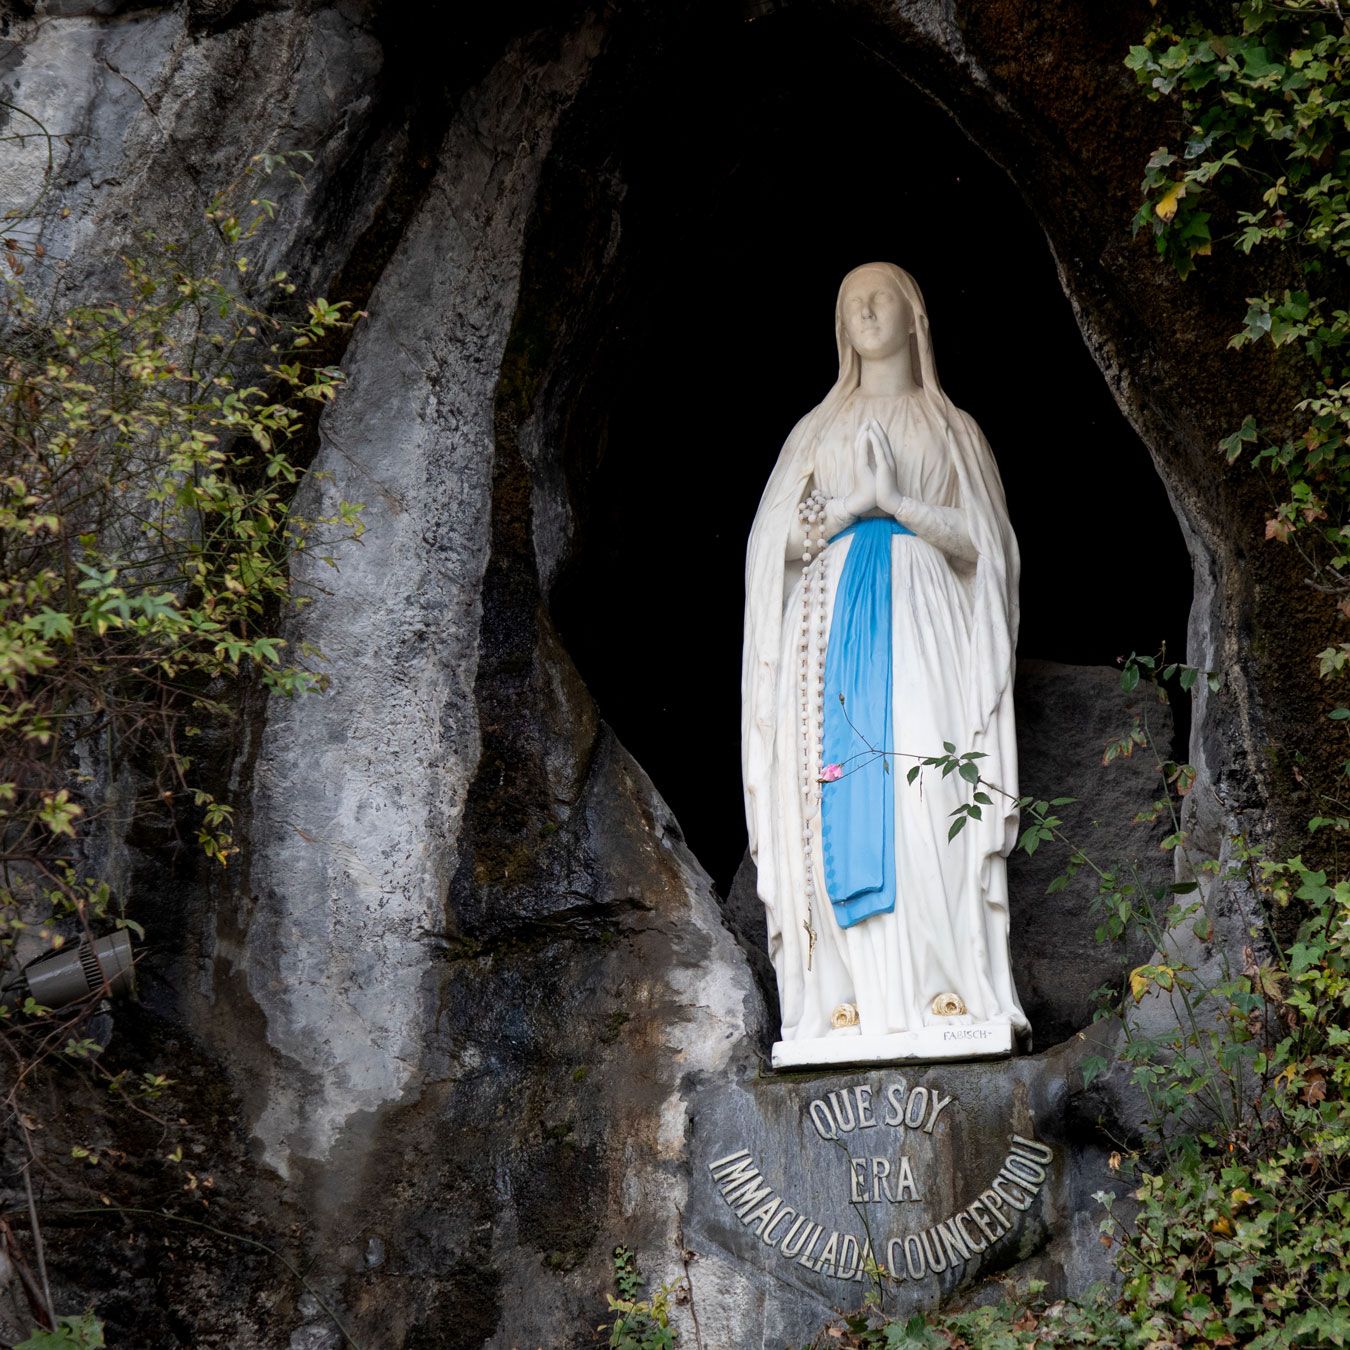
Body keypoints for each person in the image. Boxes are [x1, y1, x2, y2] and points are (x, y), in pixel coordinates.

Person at [741, 262, 1028, 1052]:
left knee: (927, 787)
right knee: (830, 792)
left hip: (925, 621)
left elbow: (987, 550)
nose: (866, 310)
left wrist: (899, 504)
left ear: (914, 319)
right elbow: (772, 548)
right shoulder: (817, 431)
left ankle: (947, 986)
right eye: (851, 302)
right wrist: (849, 508)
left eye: (882, 298)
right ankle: (844, 999)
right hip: (828, 631)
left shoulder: (952, 431)